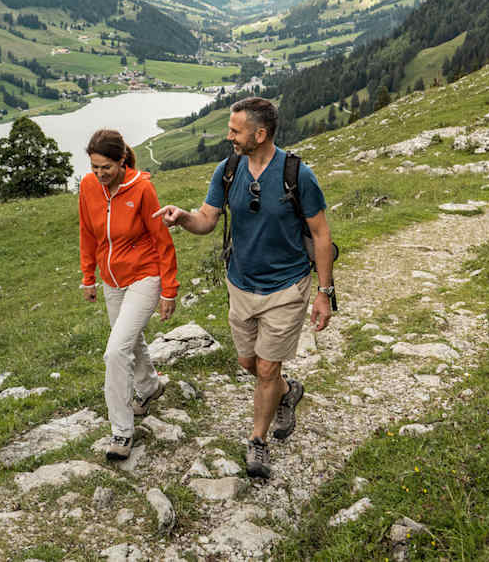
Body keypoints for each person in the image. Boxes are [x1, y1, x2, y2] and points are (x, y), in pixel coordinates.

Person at [155, 97, 334, 479]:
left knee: (267, 367)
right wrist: (183, 217)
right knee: (248, 364)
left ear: (260, 133)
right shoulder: (229, 169)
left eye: (235, 131)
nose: (229, 137)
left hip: (287, 285)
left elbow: (320, 234)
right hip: (240, 283)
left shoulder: (297, 174)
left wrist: (324, 292)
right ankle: (287, 392)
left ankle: (258, 441)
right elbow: (206, 220)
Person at [78, 128, 179, 462]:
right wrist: (88, 276)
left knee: (116, 352)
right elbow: (87, 232)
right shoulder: (88, 187)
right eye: (94, 167)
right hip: (111, 280)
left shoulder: (143, 189)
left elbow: (162, 240)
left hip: (144, 276)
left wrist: (169, 289)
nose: (99, 174)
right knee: (130, 342)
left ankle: (121, 431)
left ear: (122, 161)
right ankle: (150, 386)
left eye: (105, 167)